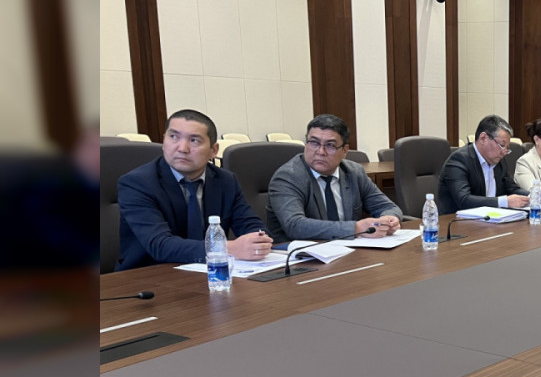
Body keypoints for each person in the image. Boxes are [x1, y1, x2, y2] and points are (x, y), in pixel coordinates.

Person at [116, 109, 273, 270]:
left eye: (194, 140)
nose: (182, 148)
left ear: (214, 150)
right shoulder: (137, 183)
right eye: (173, 137)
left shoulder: (225, 180)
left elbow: (250, 224)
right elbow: (160, 245)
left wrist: (258, 240)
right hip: (149, 275)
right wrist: (227, 248)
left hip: (209, 273)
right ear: (163, 140)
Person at [266, 114, 402, 242]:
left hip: (348, 250)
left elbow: (387, 206)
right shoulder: (288, 177)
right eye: (314, 143)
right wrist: (355, 228)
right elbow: (295, 225)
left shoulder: (354, 172)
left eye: (330, 145)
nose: (320, 152)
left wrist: (389, 219)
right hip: (299, 253)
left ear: (345, 150)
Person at [436, 115, 529, 212]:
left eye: (507, 148)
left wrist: (533, 196)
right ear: (483, 138)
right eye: (502, 145)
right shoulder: (459, 160)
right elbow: (464, 200)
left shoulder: (498, 161)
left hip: (491, 218)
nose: (504, 152)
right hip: (457, 219)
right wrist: (504, 201)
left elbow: (512, 189)